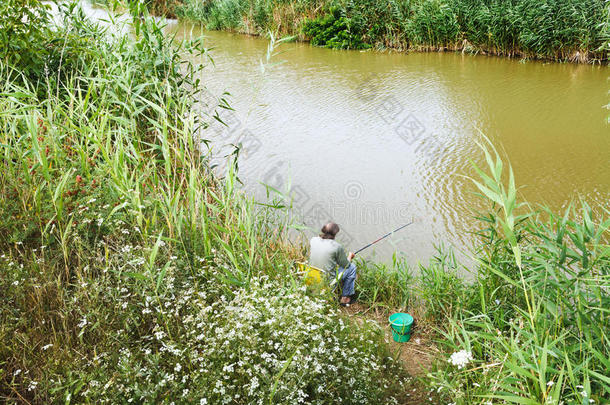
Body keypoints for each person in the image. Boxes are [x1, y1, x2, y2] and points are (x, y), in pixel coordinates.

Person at [309, 222, 357, 306]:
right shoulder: (337, 246)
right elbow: (346, 265)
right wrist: (350, 256)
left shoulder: (313, 240)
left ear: (323, 229)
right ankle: (344, 299)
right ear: (335, 233)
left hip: (312, 276)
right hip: (327, 280)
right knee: (352, 267)